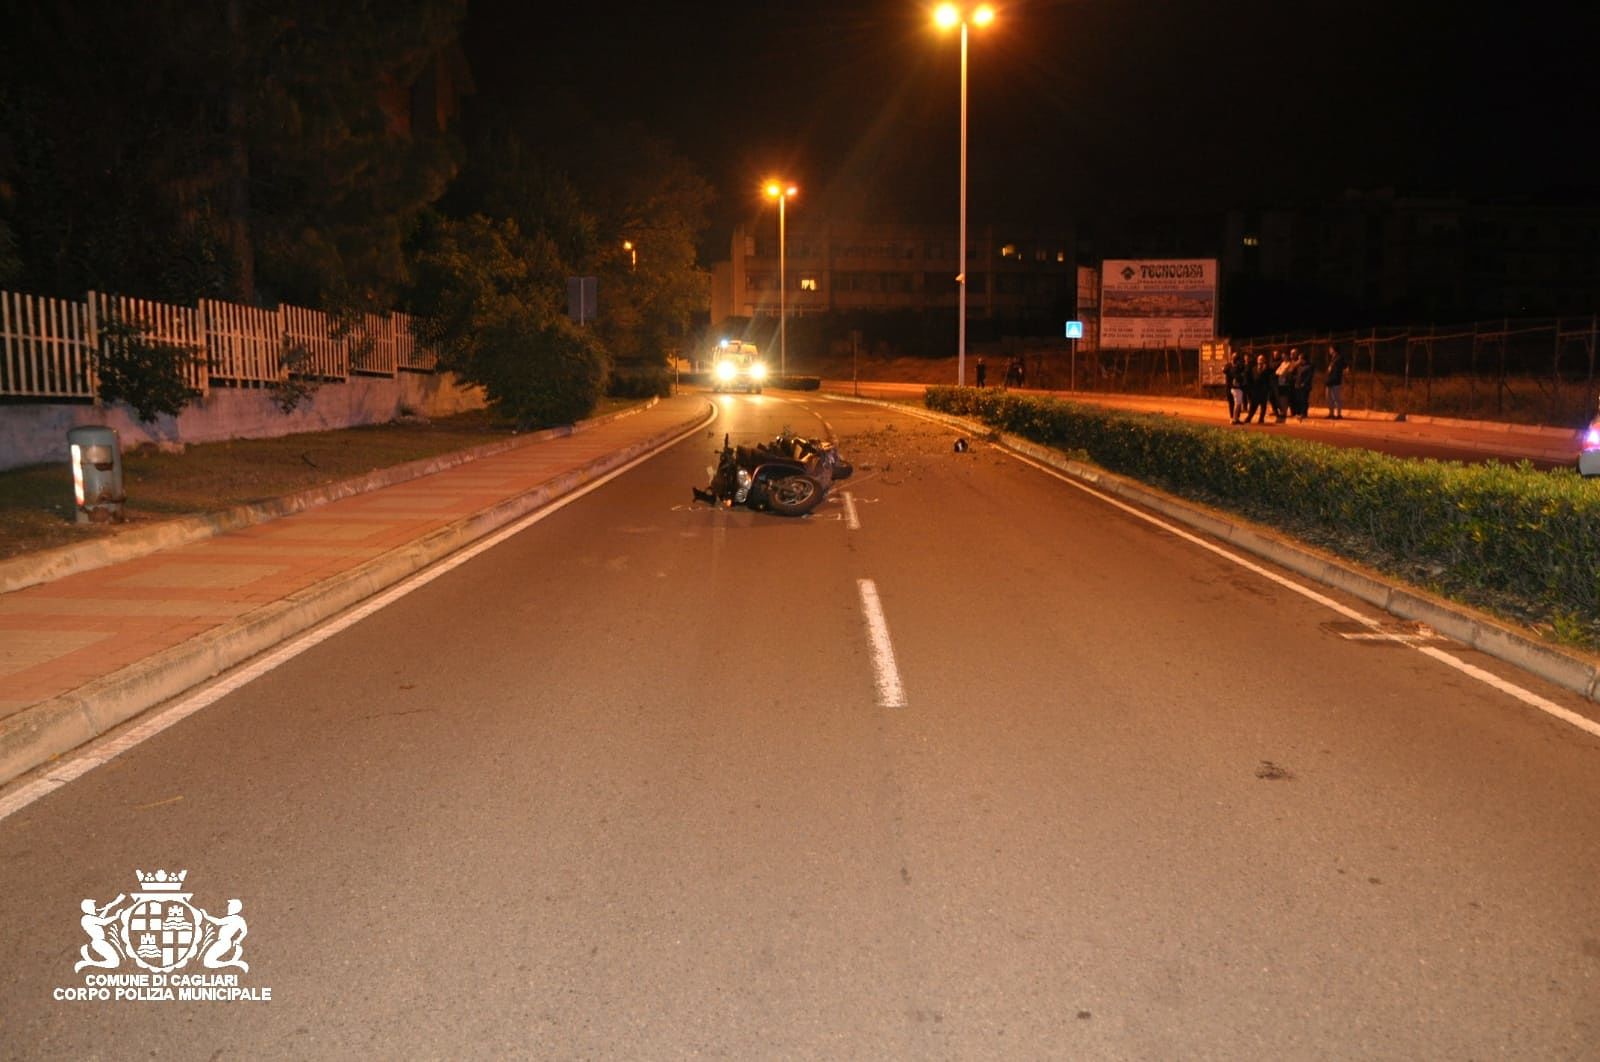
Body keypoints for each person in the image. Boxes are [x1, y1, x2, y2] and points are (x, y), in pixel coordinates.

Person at [1245, 353, 1273, 424]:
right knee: (1253, 405)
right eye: (1259, 359)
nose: (1260, 361)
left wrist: (1265, 369)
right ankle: (1249, 417)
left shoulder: (1267, 369)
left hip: (1264, 390)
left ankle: (1261, 419)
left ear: (1264, 361)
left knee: (1263, 405)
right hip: (1255, 390)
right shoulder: (1253, 368)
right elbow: (1251, 378)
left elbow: (1269, 377)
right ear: (1257, 360)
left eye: (1262, 359)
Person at [1291, 348, 1314, 420]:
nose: (1299, 360)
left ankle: (1304, 413)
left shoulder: (1309, 366)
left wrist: (1304, 383)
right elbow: (1294, 373)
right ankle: (1299, 413)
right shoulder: (1299, 366)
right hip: (1297, 385)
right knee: (1299, 400)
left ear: (1303, 359)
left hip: (1305, 386)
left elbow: (1309, 376)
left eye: (1300, 358)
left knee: (1304, 400)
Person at [1324, 345, 1347, 419]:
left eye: (1330, 349)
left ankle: (1338, 414)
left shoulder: (1339, 358)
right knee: (1329, 398)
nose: (1329, 350)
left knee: (1336, 398)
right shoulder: (1332, 359)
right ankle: (1331, 413)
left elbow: (1343, 368)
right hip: (1329, 381)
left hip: (1335, 381)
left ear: (1334, 350)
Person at [1225, 351, 1247, 423]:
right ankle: (1232, 417)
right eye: (1234, 357)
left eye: (1237, 358)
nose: (1235, 359)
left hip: (1237, 387)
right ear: (1232, 358)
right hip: (1229, 387)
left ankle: (1237, 417)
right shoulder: (1228, 365)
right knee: (1232, 403)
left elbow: (1243, 372)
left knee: (1238, 403)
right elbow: (1226, 371)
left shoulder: (1239, 366)